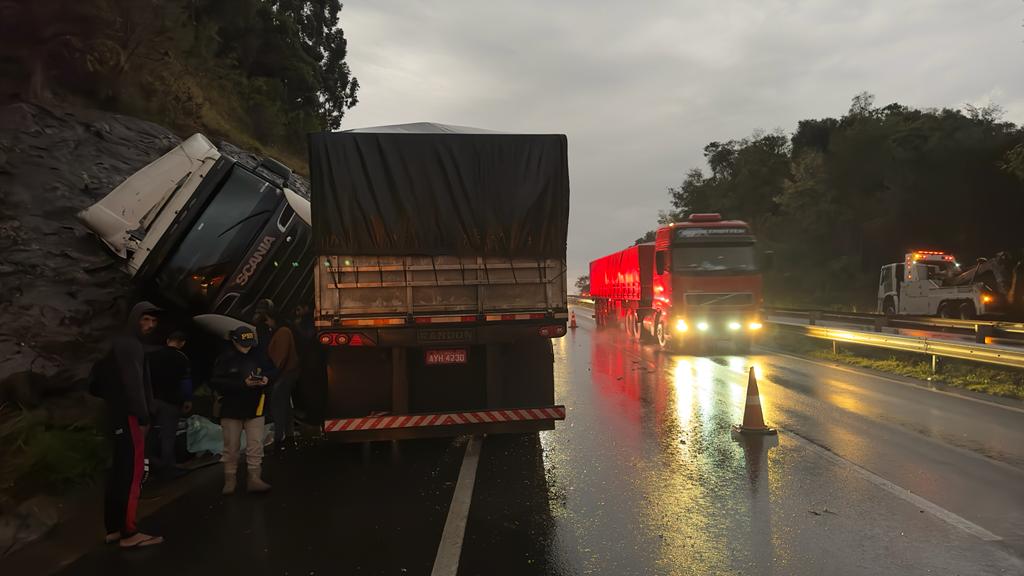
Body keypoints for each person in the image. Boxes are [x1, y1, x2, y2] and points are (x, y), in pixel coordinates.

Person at [96, 301, 164, 548]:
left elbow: (98, 383)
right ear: (134, 319)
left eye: (153, 322)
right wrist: (144, 415)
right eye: (145, 319)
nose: (149, 325)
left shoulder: (116, 344)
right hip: (131, 418)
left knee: (118, 473)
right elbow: (134, 383)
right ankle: (129, 532)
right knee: (132, 475)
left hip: (115, 416)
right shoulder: (131, 345)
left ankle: (113, 528)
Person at [211, 326, 275, 494]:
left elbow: (273, 370)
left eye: (249, 343)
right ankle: (230, 479)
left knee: (255, 444)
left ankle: (254, 478)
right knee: (231, 447)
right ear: (234, 341)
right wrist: (242, 384)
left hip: (256, 406)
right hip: (231, 408)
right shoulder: (225, 359)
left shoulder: (259, 355)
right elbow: (216, 382)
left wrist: (267, 379)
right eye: (244, 343)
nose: (247, 347)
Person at [147, 330, 192, 478]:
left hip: (152, 400)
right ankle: (168, 467)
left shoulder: (152, 356)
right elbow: (185, 381)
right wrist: (187, 399)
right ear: (182, 343)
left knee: (151, 432)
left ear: (168, 341)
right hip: (171, 401)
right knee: (168, 435)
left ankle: (151, 463)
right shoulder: (181, 358)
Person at [266, 311, 300, 448]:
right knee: (284, 404)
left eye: (268, 319)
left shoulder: (283, 332)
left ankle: (279, 435)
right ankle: (288, 433)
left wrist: (274, 374)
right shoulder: (286, 331)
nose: (267, 323)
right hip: (287, 373)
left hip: (284, 374)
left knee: (278, 404)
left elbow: (281, 357)